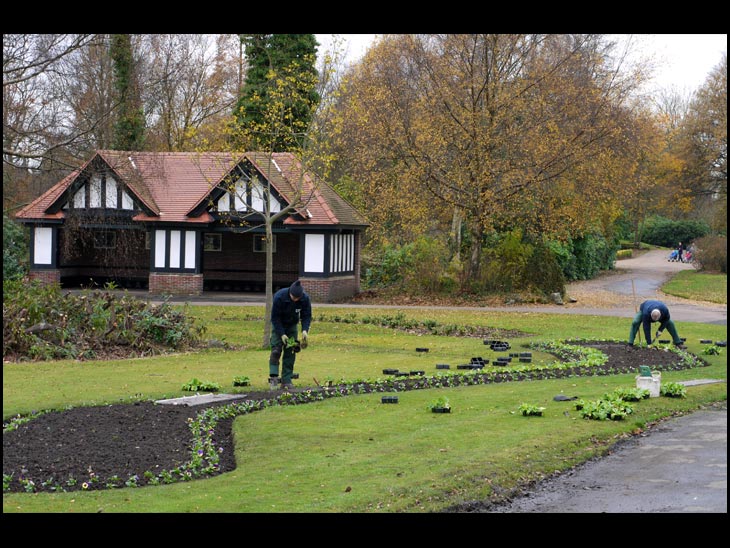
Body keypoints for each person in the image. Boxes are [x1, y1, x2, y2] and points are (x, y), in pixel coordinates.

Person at [268, 280, 312, 390]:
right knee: (276, 350)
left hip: (292, 327)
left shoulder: (305, 299)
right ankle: (273, 377)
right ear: (290, 293)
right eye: (293, 297)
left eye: (297, 298)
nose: (295, 299)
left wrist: (305, 330)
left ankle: (286, 380)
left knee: (291, 351)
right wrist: (282, 334)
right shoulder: (279, 297)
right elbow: (275, 318)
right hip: (279, 326)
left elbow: (306, 316)